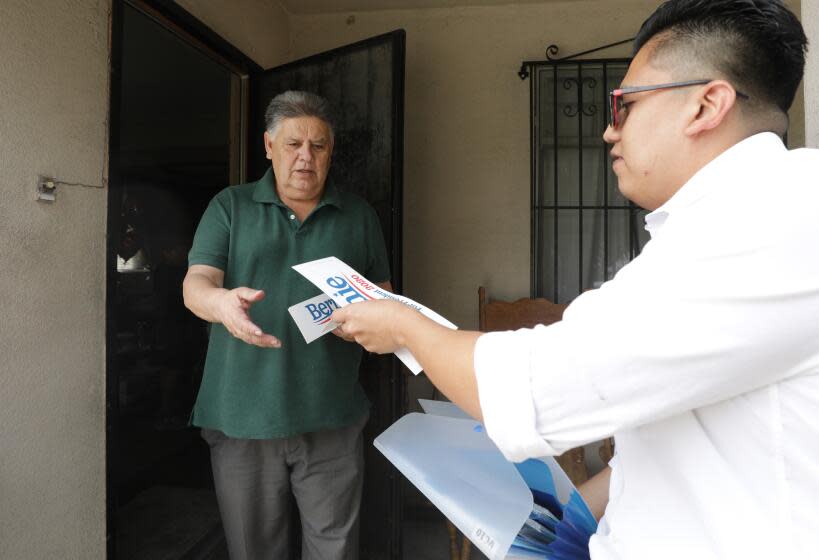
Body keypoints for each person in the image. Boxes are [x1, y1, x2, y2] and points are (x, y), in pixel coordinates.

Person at [332, 1, 819, 558]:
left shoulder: (772, 218)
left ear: (706, 104)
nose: (609, 132)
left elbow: (535, 389)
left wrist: (405, 327)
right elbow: (687, 408)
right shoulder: (736, 220)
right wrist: (577, 512)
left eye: (626, 105)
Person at [182, 90, 391, 560]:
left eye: (318, 146)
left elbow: (384, 298)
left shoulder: (359, 216)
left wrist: (363, 323)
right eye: (294, 143)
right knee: (254, 550)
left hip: (331, 416)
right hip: (242, 417)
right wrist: (221, 304)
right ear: (268, 146)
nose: (306, 156)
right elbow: (196, 284)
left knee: (334, 548)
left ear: (330, 153)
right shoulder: (229, 206)